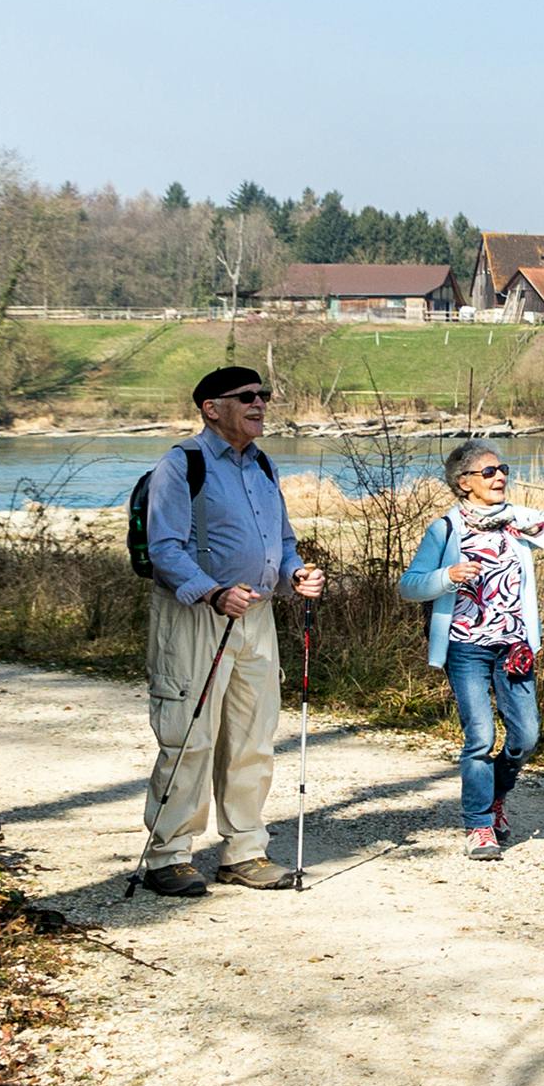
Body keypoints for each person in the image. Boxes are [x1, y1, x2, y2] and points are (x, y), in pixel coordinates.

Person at [139, 365, 324, 897]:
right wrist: (214, 592)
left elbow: (283, 542)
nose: (259, 403)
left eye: (263, 395)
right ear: (212, 408)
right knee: (189, 736)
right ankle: (169, 856)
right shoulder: (182, 465)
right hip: (196, 617)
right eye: (246, 397)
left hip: (258, 616)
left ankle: (244, 852)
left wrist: (296, 574)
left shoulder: (262, 464)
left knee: (252, 738)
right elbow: (164, 548)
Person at [400, 442, 544, 857]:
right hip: (465, 647)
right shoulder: (445, 529)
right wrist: (447, 576)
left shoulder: (516, 521)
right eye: (488, 472)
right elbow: (409, 585)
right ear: (464, 482)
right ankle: (479, 825)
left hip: (514, 648)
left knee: (526, 736)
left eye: (502, 468)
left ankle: (496, 792)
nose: (500, 476)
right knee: (480, 738)